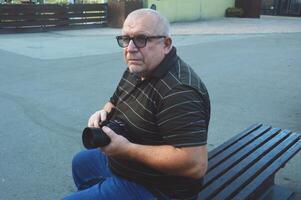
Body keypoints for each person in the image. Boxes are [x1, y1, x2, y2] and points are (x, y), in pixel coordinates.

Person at [62, 8, 210, 200]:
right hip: (127, 164)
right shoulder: (137, 68)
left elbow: (195, 165)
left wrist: (127, 149)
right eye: (125, 39)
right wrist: (103, 112)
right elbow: (114, 101)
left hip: (157, 188)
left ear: (166, 44)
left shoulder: (179, 91)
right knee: (81, 162)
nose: (130, 48)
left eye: (141, 39)